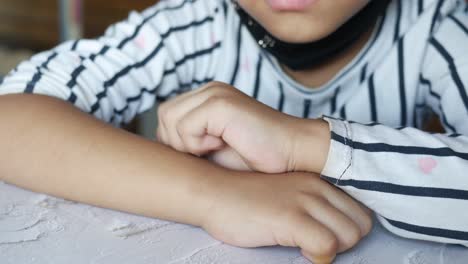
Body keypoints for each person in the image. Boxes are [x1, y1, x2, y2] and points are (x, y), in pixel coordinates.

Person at [0, 0, 467, 262]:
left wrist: (304, 144)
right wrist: (214, 194)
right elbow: (12, 118)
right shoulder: (195, 23)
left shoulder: (438, 25)